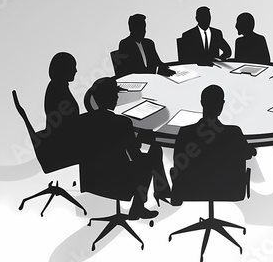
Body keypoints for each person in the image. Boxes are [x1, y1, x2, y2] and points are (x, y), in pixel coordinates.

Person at [78, 77, 168, 219]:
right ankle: (141, 205)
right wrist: (141, 141)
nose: (117, 97)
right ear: (108, 97)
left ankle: (162, 192)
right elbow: (136, 157)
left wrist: (133, 140)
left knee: (149, 156)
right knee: (155, 151)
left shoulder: (82, 121)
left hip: (91, 179)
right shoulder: (122, 123)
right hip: (117, 181)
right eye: (115, 94)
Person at [171, 85, 256, 202]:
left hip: (190, 190)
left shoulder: (185, 132)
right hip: (229, 190)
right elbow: (248, 154)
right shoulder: (234, 132)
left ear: (202, 103)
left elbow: (177, 161)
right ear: (222, 104)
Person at [44, 52, 80, 133]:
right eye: (73, 66)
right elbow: (67, 118)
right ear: (64, 68)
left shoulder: (58, 86)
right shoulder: (57, 87)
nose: (76, 70)